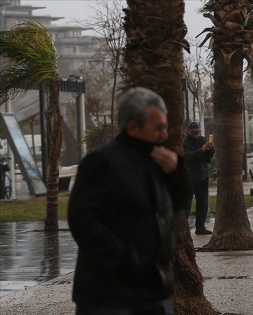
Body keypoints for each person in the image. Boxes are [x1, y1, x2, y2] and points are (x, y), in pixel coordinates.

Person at [68, 87, 191, 315]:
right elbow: (82, 221)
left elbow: (177, 205)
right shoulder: (101, 163)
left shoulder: (157, 160)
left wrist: (177, 172)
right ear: (133, 127)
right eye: (158, 128)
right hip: (109, 295)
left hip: (154, 289)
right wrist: (126, 258)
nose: (165, 134)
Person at [183, 121, 215, 235]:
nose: (197, 133)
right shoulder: (185, 143)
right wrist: (201, 149)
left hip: (202, 176)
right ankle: (184, 228)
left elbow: (207, 159)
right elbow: (187, 158)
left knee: (203, 203)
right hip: (190, 177)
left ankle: (200, 226)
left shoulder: (202, 139)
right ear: (188, 131)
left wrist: (210, 149)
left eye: (198, 131)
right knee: (187, 204)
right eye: (194, 131)